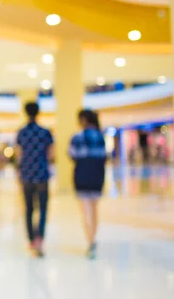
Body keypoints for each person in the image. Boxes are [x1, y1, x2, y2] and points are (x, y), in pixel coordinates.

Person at [16, 102, 54, 257]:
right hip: (42, 174)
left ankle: (31, 240)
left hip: (26, 175)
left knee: (29, 209)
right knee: (43, 208)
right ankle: (40, 238)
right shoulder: (45, 132)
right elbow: (51, 154)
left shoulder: (22, 133)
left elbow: (19, 154)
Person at [69, 109, 107, 260]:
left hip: (82, 176)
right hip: (97, 176)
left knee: (85, 210)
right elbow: (103, 156)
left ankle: (90, 241)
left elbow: (72, 154)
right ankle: (93, 239)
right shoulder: (100, 137)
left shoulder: (77, 137)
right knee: (94, 208)